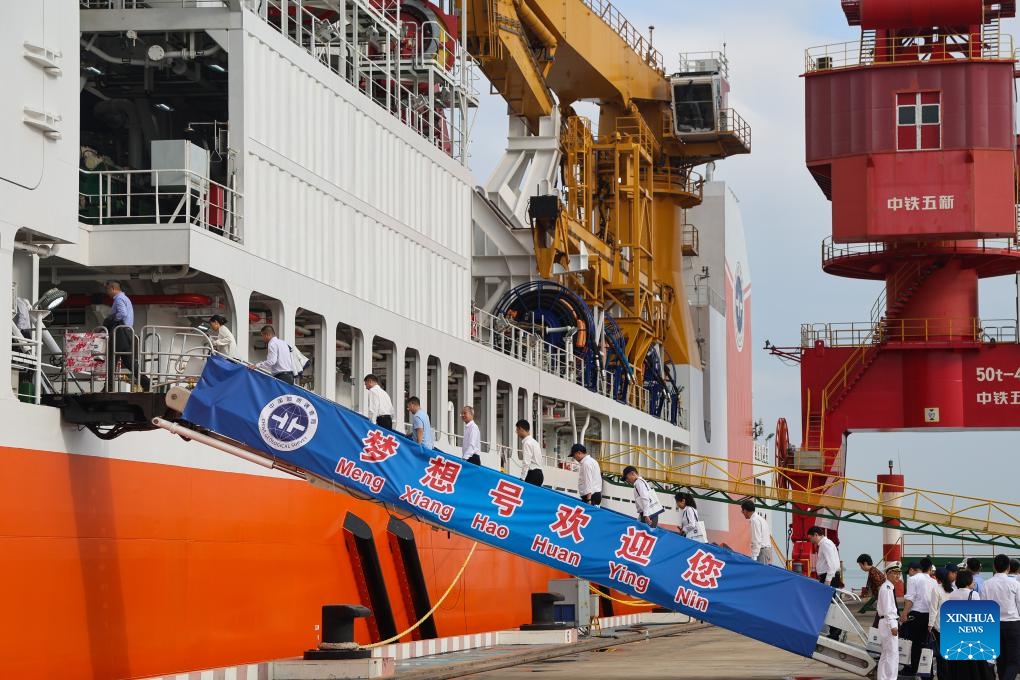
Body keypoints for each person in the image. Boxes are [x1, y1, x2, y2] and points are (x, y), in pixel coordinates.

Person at [942, 570, 995, 680]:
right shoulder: (973, 594)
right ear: (967, 580)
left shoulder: (952, 595)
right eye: (972, 579)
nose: (974, 581)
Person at [102, 280, 149, 390]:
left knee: (111, 359)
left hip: (120, 333)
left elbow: (122, 314)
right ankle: (146, 382)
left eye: (108, 289)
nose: (107, 292)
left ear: (113, 288)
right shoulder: (125, 298)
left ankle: (108, 387)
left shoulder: (119, 299)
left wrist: (111, 319)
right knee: (128, 362)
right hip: (127, 333)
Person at [982, 553, 1020, 680]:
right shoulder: (1015, 584)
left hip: (993, 625)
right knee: (1014, 661)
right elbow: (1019, 605)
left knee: (1001, 660)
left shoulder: (986, 584)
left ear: (994, 567)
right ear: (1008, 567)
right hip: (1012, 624)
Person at [900, 557, 936, 675]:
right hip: (929, 616)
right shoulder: (933, 581)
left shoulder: (913, 579)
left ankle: (913, 669)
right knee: (926, 644)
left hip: (916, 614)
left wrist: (904, 613)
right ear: (930, 568)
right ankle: (926, 671)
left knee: (914, 643)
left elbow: (910, 598)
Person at [807, 526, 843, 640]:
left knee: (830, 606)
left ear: (816, 535)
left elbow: (831, 564)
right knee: (828, 605)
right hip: (829, 577)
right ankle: (833, 632)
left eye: (811, 538)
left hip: (829, 578)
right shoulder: (826, 544)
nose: (810, 541)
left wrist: (827, 581)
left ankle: (835, 632)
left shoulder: (825, 544)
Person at [875, 562, 902, 680]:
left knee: (887, 654)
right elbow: (887, 610)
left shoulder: (889, 587)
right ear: (888, 574)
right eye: (894, 573)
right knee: (891, 654)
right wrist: (893, 625)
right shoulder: (886, 588)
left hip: (886, 622)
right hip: (888, 623)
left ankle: (884, 677)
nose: (897, 576)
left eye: (898, 573)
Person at [929, 566, 956, 680]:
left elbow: (933, 609)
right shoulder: (953, 590)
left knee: (940, 655)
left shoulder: (936, 589)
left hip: (939, 627)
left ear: (937, 577)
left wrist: (930, 625)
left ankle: (942, 676)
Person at [741, 500, 772, 564]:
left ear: (745, 511)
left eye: (742, 511)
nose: (742, 513)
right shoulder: (760, 519)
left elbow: (757, 540)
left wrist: (754, 558)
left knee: (760, 573)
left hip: (762, 552)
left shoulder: (754, 521)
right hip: (766, 551)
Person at [515, 420, 543, 486]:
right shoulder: (535, 442)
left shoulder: (527, 443)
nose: (516, 432)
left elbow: (526, 462)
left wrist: (522, 478)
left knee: (525, 495)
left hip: (532, 474)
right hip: (539, 474)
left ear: (521, 429)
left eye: (517, 430)